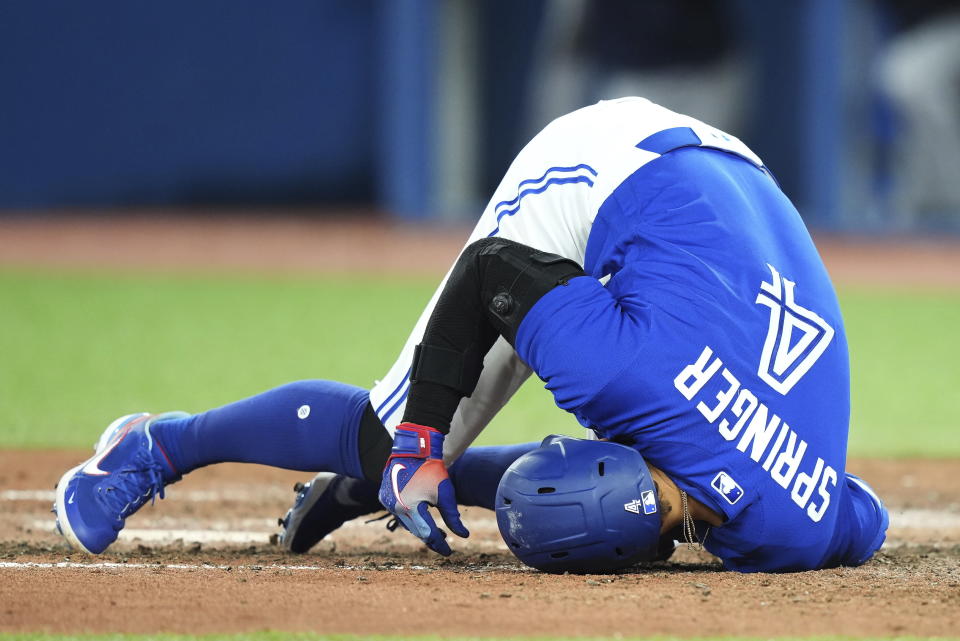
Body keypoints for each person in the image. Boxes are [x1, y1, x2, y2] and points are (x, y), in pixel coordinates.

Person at [53, 97, 888, 573]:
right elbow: (492, 270)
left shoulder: (802, 522)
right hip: (605, 163)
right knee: (386, 436)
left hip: (739, 189)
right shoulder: (617, 372)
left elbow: (868, 517)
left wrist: (392, 473)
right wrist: (414, 445)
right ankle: (152, 446)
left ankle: (357, 476)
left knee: (399, 451)